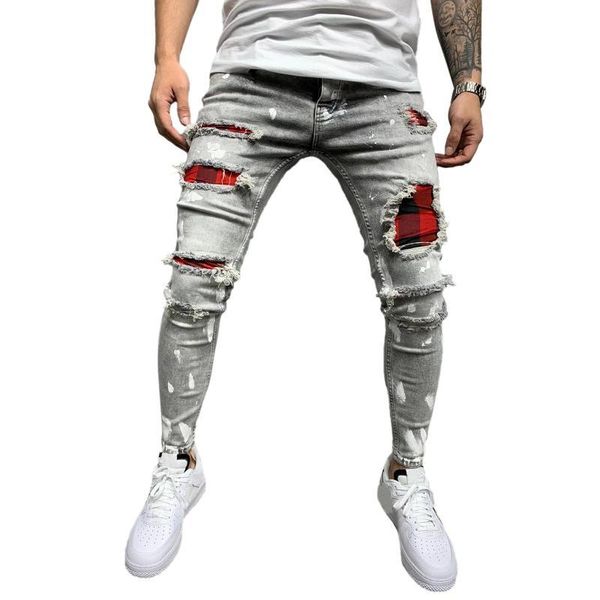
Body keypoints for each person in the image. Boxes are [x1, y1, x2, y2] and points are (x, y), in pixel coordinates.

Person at [125, 0, 484, 591]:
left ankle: (406, 473)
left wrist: (468, 83)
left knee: (419, 297)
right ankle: (177, 461)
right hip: (249, 79)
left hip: (383, 90)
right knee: (194, 282)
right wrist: (167, 56)